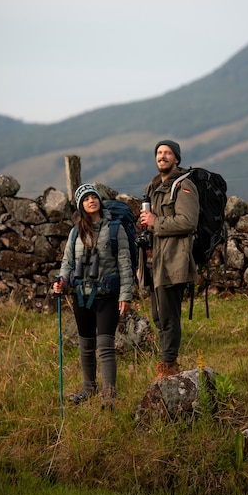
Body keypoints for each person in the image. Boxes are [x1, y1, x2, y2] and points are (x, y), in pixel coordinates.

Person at [53, 183, 133, 408]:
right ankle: (88, 388)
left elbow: (125, 264)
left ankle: (109, 395)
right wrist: (61, 281)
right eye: (86, 198)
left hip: (107, 296)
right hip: (81, 296)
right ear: (81, 205)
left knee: (105, 346)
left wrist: (125, 295)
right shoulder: (75, 231)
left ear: (99, 200)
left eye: (93, 197)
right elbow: (67, 263)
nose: (91, 200)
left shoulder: (116, 229)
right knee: (85, 345)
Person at [139, 140, 199, 379]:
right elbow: (149, 224)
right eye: (159, 152)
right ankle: (167, 362)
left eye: (167, 153)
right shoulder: (152, 187)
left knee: (168, 315)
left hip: (173, 260)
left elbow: (188, 221)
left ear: (177, 159)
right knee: (157, 315)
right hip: (154, 261)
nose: (162, 156)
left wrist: (156, 222)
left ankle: (168, 366)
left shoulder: (184, 186)